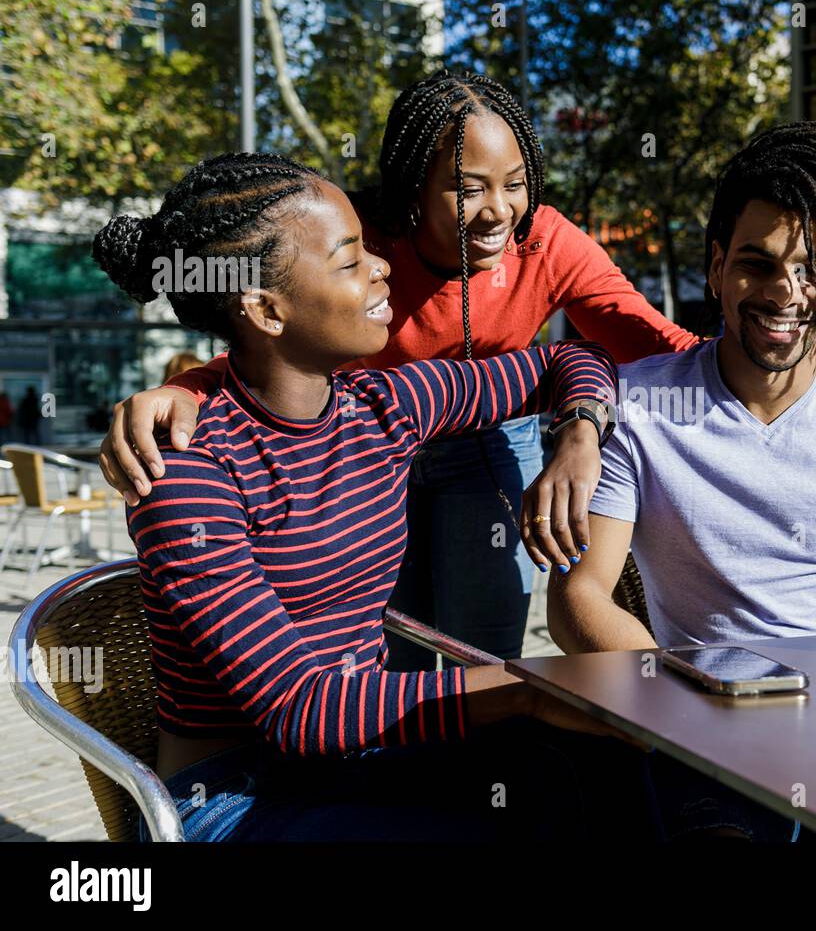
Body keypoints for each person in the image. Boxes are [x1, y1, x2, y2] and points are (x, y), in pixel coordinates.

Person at [95, 71, 816, 665]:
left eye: (516, 182)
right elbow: (261, 333)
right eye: (467, 186)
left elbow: (650, 339)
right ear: (413, 188)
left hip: (484, 436)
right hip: (365, 444)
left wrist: (814, 346)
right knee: (366, 638)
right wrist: (180, 389)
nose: (498, 208)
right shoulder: (364, 256)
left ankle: (455, 766)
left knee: (472, 638)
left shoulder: (548, 243)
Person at [91, 151, 659, 841]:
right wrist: (529, 693)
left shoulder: (385, 405)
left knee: (613, 767)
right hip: (237, 799)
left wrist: (578, 432)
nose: (382, 268)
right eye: (350, 259)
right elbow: (300, 709)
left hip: (367, 759)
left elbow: (570, 357)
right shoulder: (186, 470)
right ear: (266, 309)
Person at [548, 121, 816, 654]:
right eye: (758, 265)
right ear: (717, 270)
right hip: (691, 716)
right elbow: (578, 596)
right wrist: (679, 694)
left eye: (815, 268)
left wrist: (810, 685)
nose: (786, 291)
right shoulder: (637, 408)